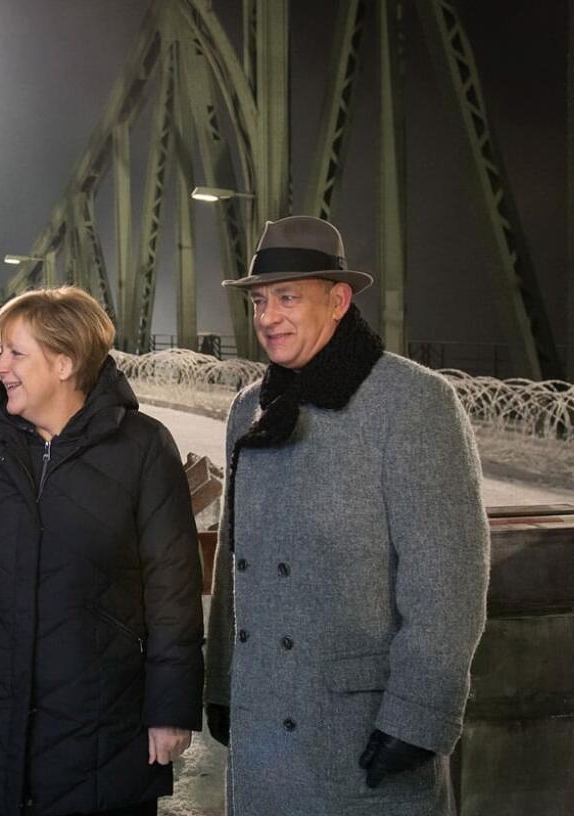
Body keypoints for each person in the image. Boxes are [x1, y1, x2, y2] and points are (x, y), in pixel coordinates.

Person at [204, 216, 490, 815]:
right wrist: (224, 681)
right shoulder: (249, 408)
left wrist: (419, 716)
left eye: (287, 297)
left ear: (338, 301)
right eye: (259, 300)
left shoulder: (412, 403)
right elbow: (236, 567)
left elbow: (448, 578)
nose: (267, 317)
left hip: (358, 732)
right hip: (263, 727)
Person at [0, 286, 204, 816]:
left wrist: (171, 708)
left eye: (15, 352)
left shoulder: (142, 447)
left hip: (102, 728)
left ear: (65, 362)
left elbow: (173, 588)